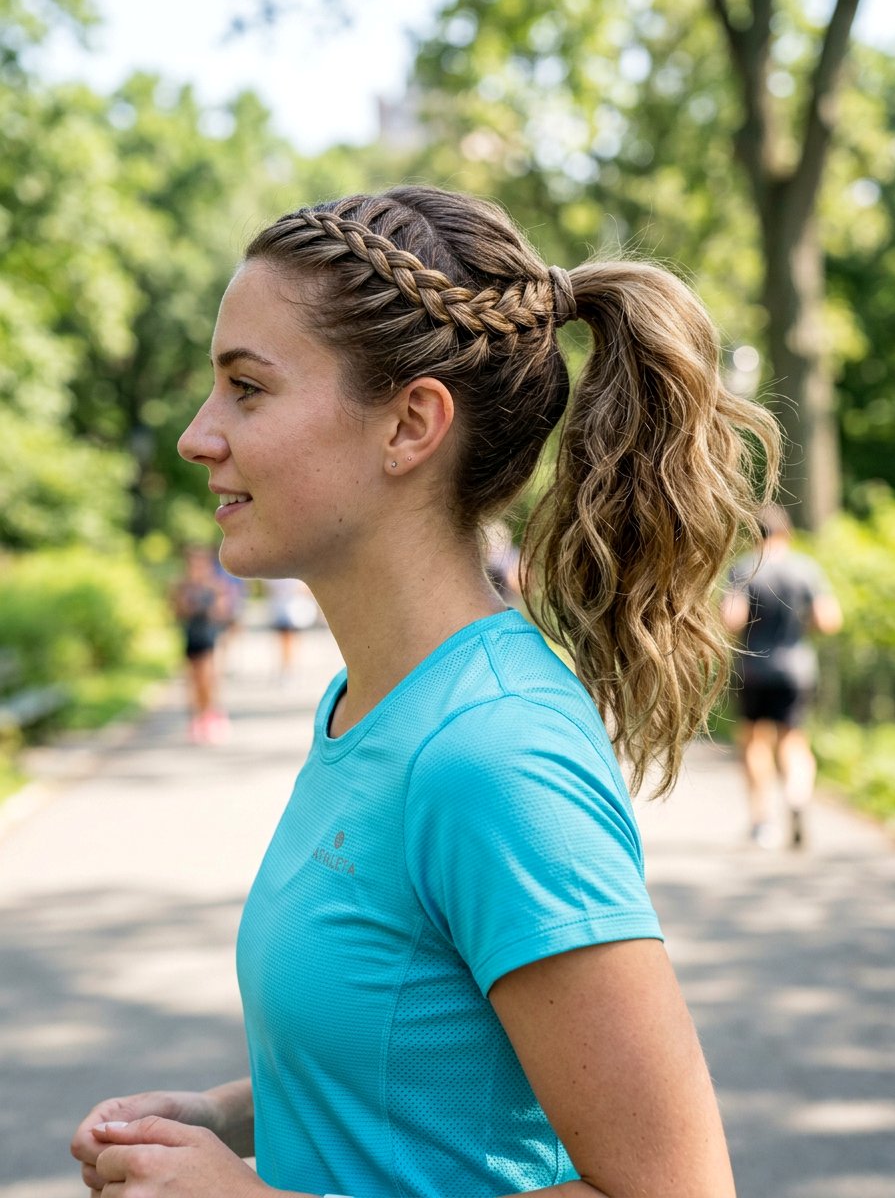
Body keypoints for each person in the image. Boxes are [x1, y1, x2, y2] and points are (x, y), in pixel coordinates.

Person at [72, 185, 779, 1198]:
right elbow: (423, 1060)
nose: (196, 435)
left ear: (409, 425)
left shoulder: (489, 751)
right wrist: (226, 1117)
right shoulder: (371, 705)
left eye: (247, 389)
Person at [721, 502, 842, 849]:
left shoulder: (744, 569)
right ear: (785, 533)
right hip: (797, 668)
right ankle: (797, 797)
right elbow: (829, 620)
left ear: (753, 535)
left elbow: (732, 619)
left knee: (755, 741)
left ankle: (762, 822)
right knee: (794, 739)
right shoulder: (806, 569)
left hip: (754, 669)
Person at [170, 545, 231, 744]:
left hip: (209, 636)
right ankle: (197, 718)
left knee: (209, 679)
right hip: (191, 636)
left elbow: (223, 613)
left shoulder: (215, 586)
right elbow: (177, 612)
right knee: (192, 680)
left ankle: (212, 716)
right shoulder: (182, 586)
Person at [263, 576, 319, 680]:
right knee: (286, 640)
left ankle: (289, 668)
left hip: (292, 608)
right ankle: (287, 668)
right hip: (285, 608)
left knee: (290, 639)